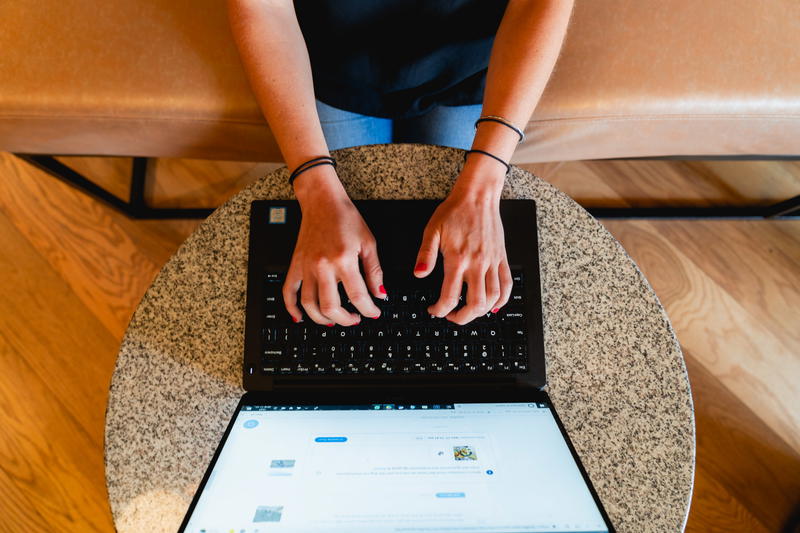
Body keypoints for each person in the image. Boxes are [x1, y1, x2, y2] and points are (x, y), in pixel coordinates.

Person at [227, 0, 573, 327]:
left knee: (449, 272)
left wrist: (482, 188)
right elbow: (265, 7)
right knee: (344, 271)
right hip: (330, 57)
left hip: (477, 54)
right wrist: (315, 189)